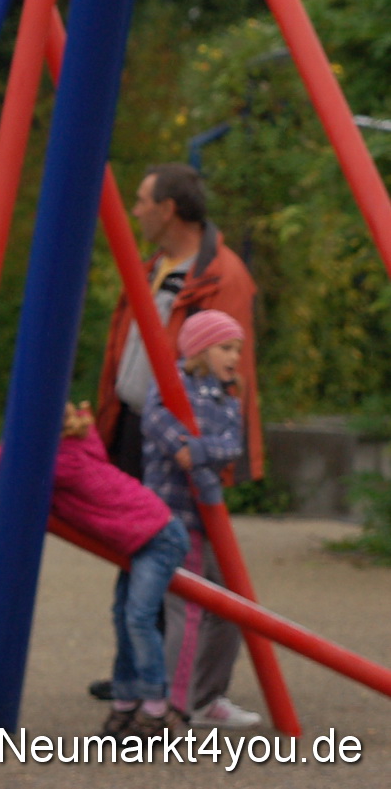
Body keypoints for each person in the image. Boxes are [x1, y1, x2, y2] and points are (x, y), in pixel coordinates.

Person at [0, 403, 190, 738]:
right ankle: (126, 701)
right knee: (123, 616)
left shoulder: (66, 458)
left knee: (139, 618)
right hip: (140, 539)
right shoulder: (56, 462)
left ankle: (157, 705)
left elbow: (20, 466)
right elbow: (17, 476)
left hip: (158, 537)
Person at [95, 163, 261, 480]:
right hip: (130, 422)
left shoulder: (222, 277)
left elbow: (231, 370)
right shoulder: (151, 269)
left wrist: (209, 452)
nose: (135, 211)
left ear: (168, 208)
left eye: (142, 201)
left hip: (175, 439)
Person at [143, 309, 260, 729]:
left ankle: (207, 695)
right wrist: (180, 445)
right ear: (199, 349)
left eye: (238, 350)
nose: (234, 357)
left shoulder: (228, 396)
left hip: (209, 515)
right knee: (187, 609)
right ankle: (176, 706)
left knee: (231, 606)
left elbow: (232, 444)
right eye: (226, 347)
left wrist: (198, 451)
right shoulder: (173, 382)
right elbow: (154, 419)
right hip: (174, 514)